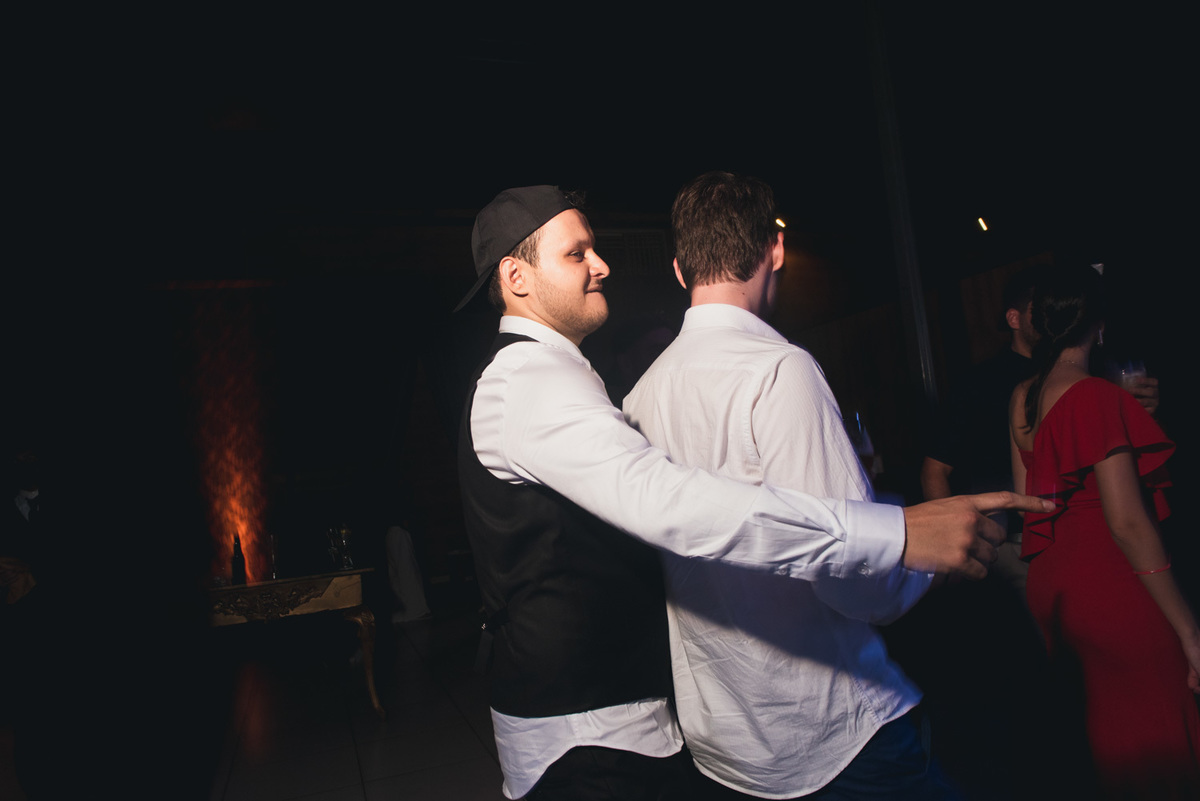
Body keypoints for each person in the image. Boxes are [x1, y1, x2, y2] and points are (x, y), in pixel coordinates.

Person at [455, 185, 1051, 800]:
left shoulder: (630, 390)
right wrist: (897, 535)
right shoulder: (528, 379)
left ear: (681, 269)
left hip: (700, 737)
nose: (602, 265)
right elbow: (672, 505)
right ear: (516, 276)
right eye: (577, 253)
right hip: (621, 736)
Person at [622, 171, 953, 799]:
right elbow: (854, 578)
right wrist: (929, 557)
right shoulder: (778, 370)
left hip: (728, 740)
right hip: (829, 732)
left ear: (679, 269)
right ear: (774, 249)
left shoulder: (638, 398)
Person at [1009, 263, 1200, 798]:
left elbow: (1030, 502)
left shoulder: (1023, 395)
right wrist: (1190, 631)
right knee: (1158, 726)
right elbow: (1128, 523)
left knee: (1103, 729)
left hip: (1055, 584)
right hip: (1111, 582)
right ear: (1099, 325)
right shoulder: (1096, 396)